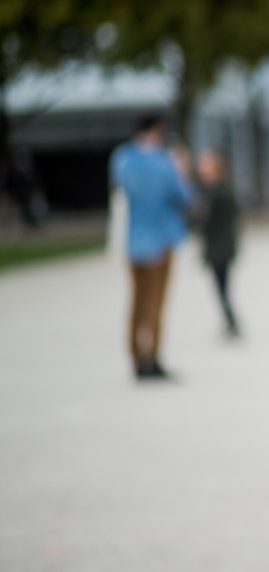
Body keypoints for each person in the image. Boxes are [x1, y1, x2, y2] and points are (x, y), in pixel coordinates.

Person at [110, 114, 194, 381]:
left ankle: (135, 356)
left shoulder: (122, 159)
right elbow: (184, 196)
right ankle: (153, 357)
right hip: (161, 240)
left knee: (136, 301)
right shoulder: (163, 162)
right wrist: (182, 169)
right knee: (156, 302)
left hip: (133, 241)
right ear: (157, 131)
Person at [195, 150, 241, 338]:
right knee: (222, 288)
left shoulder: (218, 193)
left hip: (220, 249)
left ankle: (231, 321)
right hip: (220, 248)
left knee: (222, 288)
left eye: (206, 165)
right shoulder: (215, 191)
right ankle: (229, 321)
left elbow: (206, 223)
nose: (202, 169)